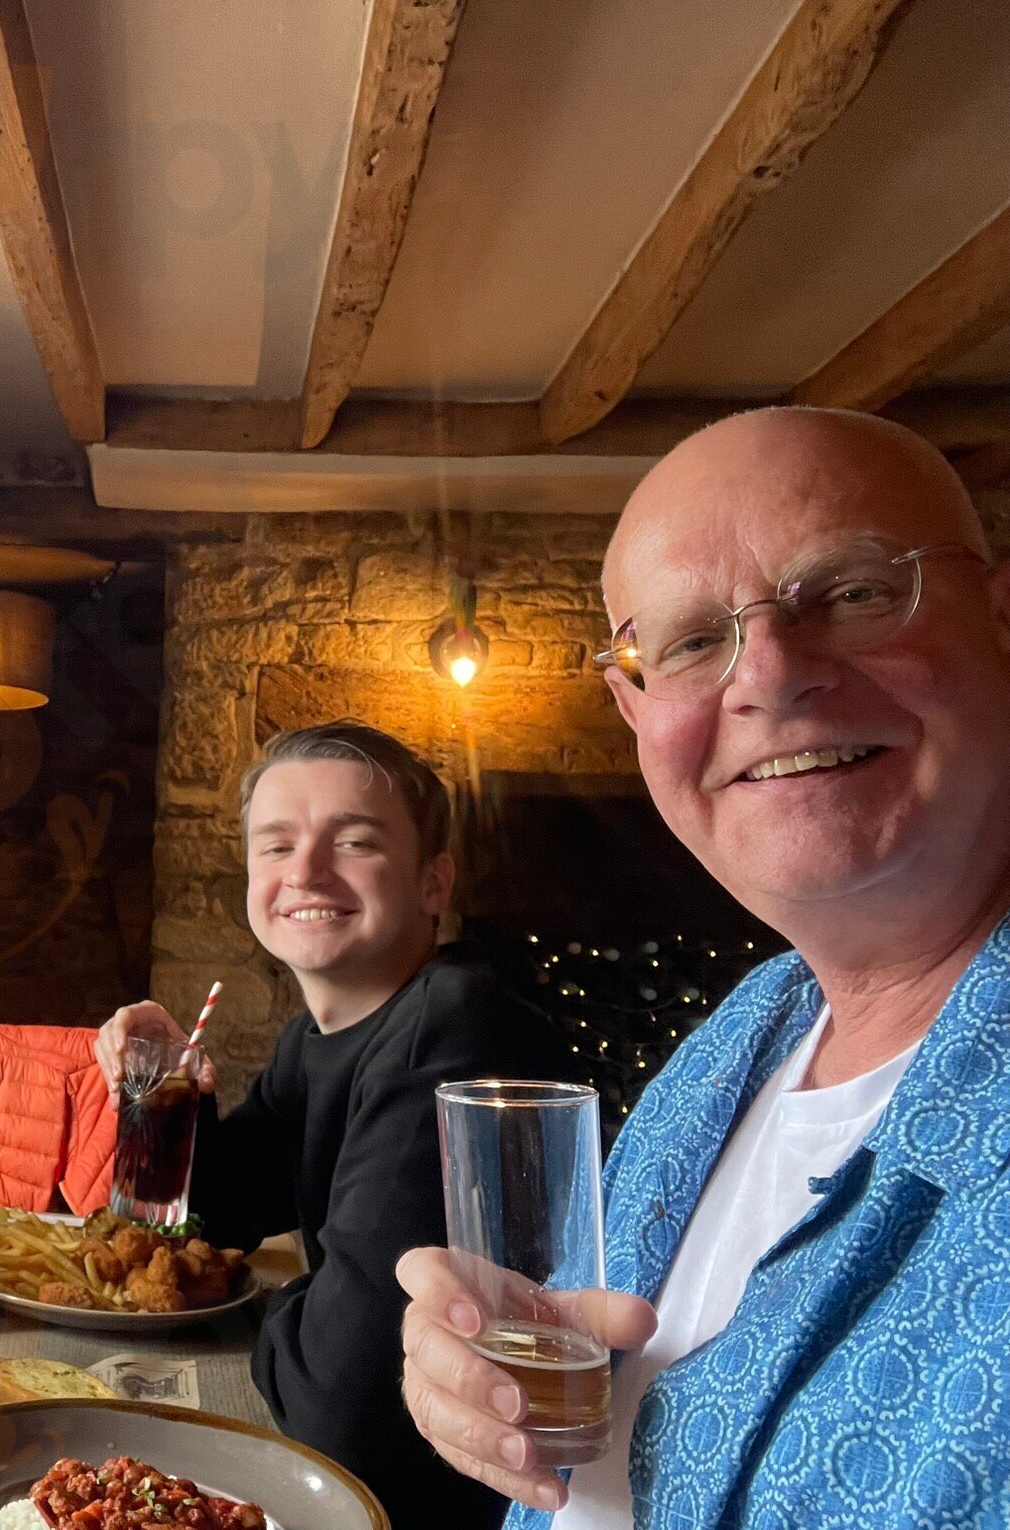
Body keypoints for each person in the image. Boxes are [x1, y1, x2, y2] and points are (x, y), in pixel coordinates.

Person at [397, 406, 1010, 1529]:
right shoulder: (747, 1030)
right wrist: (480, 1373)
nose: (768, 675)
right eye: (686, 642)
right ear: (632, 710)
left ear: (1000, 619)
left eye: (853, 593)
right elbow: (591, 1394)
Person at [95, 721, 575, 1528]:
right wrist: (160, 1090)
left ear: (433, 883)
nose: (305, 872)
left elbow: (338, 1401)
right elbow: (204, 1223)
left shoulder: (455, 1028)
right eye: (277, 846)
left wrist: (281, 1302)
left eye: (354, 843)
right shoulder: (313, 1041)